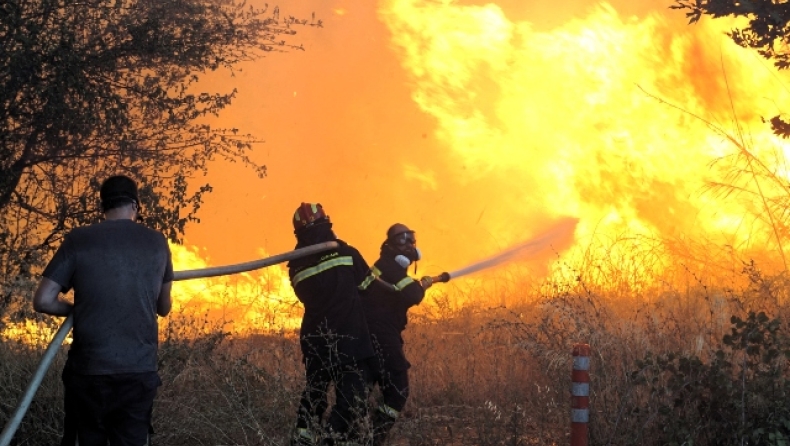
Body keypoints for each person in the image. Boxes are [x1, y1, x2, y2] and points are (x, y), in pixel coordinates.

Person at [33, 175, 173, 446]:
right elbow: (163, 307)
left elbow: (43, 301)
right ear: (135, 206)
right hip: (138, 372)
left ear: (103, 207)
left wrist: (81, 308)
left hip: (89, 371)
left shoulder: (79, 239)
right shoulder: (157, 242)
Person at [287, 203, 375, 446]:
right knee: (352, 400)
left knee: (314, 395)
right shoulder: (347, 253)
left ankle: (302, 441)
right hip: (349, 340)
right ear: (327, 223)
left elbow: (306, 293)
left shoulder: (296, 264)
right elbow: (369, 289)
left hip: (316, 340)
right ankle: (330, 440)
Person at [358, 223, 433, 445]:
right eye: (402, 239)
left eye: (411, 238)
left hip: (370, 335)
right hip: (381, 334)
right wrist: (422, 286)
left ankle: (356, 436)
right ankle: (373, 438)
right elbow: (411, 294)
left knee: (362, 390)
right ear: (390, 244)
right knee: (398, 388)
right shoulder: (389, 266)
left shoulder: (384, 266)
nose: (409, 244)